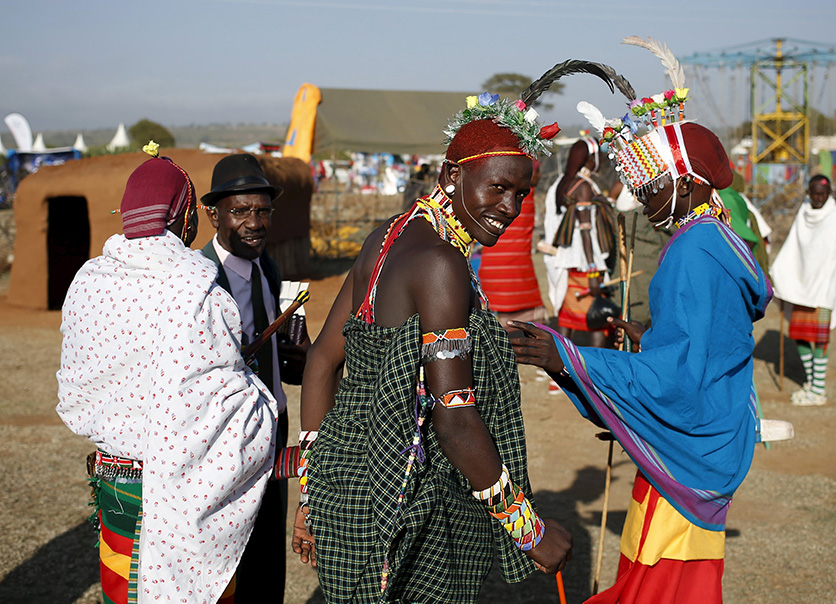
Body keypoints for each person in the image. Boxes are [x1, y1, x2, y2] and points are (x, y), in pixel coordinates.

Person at [292, 92, 573, 603]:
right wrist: (529, 531)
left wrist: (314, 493)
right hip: (407, 500)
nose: (509, 208)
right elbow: (453, 417)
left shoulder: (386, 238)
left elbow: (321, 360)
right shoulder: (442, 266)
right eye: (498, 188)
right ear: (449, 178)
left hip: (347, 492)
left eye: (521, 194)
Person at [511, 89, 777, 601]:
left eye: (651, 185)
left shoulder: (691, 252)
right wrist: (650, 337)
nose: (643, 197)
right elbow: (706, 346)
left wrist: (566, 357)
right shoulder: (718, 237)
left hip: (685, 452)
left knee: (657, 586)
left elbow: (676, 377)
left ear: (690, 183)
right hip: (715, 427)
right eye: (639, 185)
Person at [56, 144, 278, 603]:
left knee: (124, 590)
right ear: (185, 217)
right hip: (180, 496)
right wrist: (258, 393)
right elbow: (219, 413)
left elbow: (80, 389)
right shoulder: (194, 284)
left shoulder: (89, 279)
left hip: (116, 483)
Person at [200, 153, 309, 604]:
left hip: (273, 426)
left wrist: (289, 362)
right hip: (227, 436)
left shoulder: (268, 268)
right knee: (230, 552)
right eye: (240, 211)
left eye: (263, 211)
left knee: (267, 547)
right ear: (214, 214)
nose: (254, 222)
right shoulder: (200, 280)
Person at [769, 175, 836, 406]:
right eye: (814, 194)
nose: (819, 198)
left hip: (823, 287)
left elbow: (826, 253)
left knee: (820, 339)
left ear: (830, 194)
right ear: (807, 193)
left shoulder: (834, 216)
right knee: (800, 335)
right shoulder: (803, 212)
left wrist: (817, 285)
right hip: (801, 284)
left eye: (823, 194)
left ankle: (819, 391)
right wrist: (784, 272)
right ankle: (812, 384)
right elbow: (795, 245)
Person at [542, 136, 618, 348]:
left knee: (566, 318)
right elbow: (586, 232)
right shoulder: (583, 186)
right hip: (585, 263)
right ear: (590, 159)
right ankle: (596, 371)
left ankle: (562, 369)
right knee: (596, 320)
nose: (600, 162)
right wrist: (593, 270)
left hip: (566, 262)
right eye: (598, 157)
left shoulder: (559, 184)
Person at [478, 159, 548, 332]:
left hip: (490, 271)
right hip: (515, 274)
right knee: (529, 327)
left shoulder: (494, 198)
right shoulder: (524, 198)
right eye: (535, 173)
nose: (538, 177)